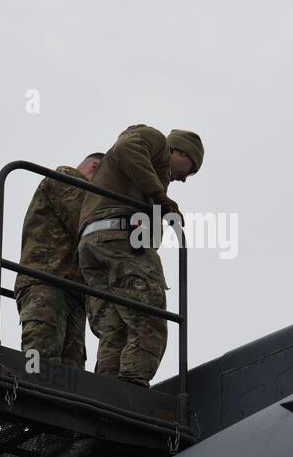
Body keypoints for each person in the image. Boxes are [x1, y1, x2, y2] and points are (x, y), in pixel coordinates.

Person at [77, 126, 203, 386]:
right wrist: (161, 199)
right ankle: (130, 390)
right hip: (121, 239)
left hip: (94, 245)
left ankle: (107, 390)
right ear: (179, 150)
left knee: (116, 328)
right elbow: (126, 148)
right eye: (190, 168)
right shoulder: (154, 140)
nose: (185, 178)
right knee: (150, 321)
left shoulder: (145, 174)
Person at [15, 153, 104, 367]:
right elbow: (85, 225)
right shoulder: (65, 179)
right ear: (96, 167)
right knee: (40, 359)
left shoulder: (86, 196)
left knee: (71, 371)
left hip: (73, 291)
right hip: (45, 283)